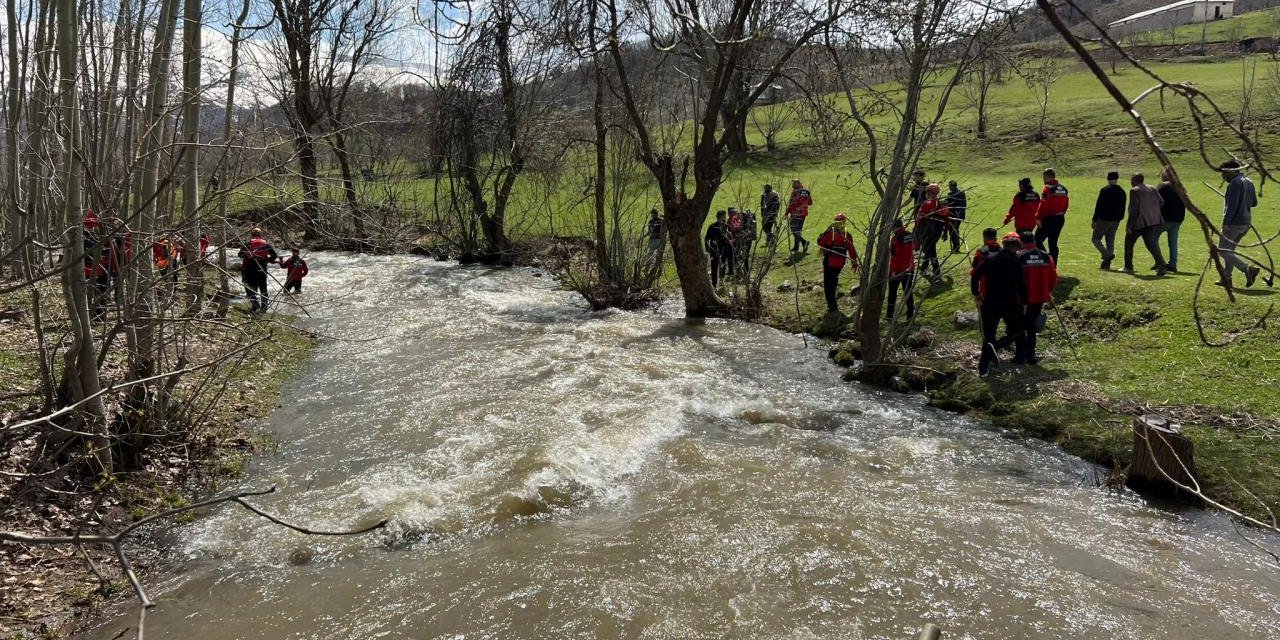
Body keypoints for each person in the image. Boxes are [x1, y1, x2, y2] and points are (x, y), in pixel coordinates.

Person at [971, 232, 1027, 377]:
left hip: (989, 302)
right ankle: (996, 347)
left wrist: (976, 293)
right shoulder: (1015, 261)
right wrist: (1025, 302)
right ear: (1016, 247)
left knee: (989, 334)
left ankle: (983, 369)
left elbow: (975, 275)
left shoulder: (990, 259)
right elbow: (1021, 284)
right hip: (1009, 303)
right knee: (1018, 331)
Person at [1217, 159, 1261, 287]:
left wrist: (1226, 223)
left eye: (1224, 173)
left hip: (1234, 223)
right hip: (1245, 222)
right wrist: (1244, 200)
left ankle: (1247, 269)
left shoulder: (1235, 183)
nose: (1223, 176)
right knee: (1229, 251)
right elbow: (1254, 203)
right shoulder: (1249, 181)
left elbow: (1232, 207)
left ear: (1232, 171)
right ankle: (1227, 278)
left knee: (1223, 251)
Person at [1017, 231, 1058, 365]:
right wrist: (1048, 291)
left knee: (1021, 325)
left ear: (1021, 242)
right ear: (1034, 241)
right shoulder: (1046, 256)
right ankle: (1031, 354)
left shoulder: (1019, 257)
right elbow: (1053, 277)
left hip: (1023, 298)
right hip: (1040, 296)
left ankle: (1022, 354)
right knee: (1031, 326)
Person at [1122, 173, 1168, 276]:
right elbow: (1161, 202)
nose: (1131, 182)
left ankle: (1128, 267)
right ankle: (1162, 264)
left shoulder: (1135, 190)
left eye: (1131, 179)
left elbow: (1134, 210)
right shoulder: (1153, 188)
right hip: (1153, 221)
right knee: (1150, 244)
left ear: (1135, 180)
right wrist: (1152, 211)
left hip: (1139, 222)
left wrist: (1129, 226)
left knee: (1129, 242)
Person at [816, 213, 859, 314]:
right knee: (834, 280)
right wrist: (854, 263)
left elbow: (821, 242)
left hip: (829, 262)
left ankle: (832, 306)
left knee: (828, 284)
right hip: (840, 263)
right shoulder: (847, 235)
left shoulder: (830, 232)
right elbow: (852, 249)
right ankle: (833, 303)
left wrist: (823, 250)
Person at [238, 227, 279, 313]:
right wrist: (267, 260)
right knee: (263, 289)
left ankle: (255, 305)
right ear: (260, 235)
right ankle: (264, 308)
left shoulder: (247, 243)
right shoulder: (266, 244)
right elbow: (274, 256)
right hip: (262, 270)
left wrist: (247, 254)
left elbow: (240, 255)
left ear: (252, 235)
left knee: (249, 288)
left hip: (249, 270)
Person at [1091, 171, 1126, 270]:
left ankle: (1107, 256)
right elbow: (1123, 207)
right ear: (1117, 179)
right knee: (1110, 242)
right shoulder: (1122, 191)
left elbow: (1099, 206)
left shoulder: (1105, 190)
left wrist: (1094, 219)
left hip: (1104, 219)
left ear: (1108, 179)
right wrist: (1120, 218)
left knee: (1096, 239)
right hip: (1116, 220)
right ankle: (1107, 264)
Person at [914, 183, 949, 280]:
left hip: (927, 232)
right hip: (937, 232)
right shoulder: (942, 205)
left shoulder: (926, 204)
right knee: (930, 249)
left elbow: (919, 219)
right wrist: (945, 233)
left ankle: (936, 271)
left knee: (930, 251)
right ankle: (925, 266)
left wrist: (916, 231)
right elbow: (947, 220)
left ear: (928, 192)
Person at [1036, 167, 1069, 264]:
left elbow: (1043, 205)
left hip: (1048, 219)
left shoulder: (1047, 188)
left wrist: (1038, 217)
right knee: (1053, 243)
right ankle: (1053, 267)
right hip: (1060, 218)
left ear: (1046, 177)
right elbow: (1066, 204)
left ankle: (1046, 259)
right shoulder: (1063, 189)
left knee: (1036, 240)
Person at [1154, 169, 1185, 273]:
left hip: (1166, 217)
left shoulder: (1162, 186)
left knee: (1152, 239)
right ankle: (1172, 264)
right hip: (1178, 218)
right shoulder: (1180, 186)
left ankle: (1159, 261)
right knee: (1173, 242)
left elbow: (1157, 201)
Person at [886, 219, 916, 320]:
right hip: (909, 268)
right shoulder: (909, 235)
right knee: (908, 292)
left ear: (895, 227)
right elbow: (913, 250)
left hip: (898, 270)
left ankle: (890, 315)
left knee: (892, 293)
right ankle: (910, 313)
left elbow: (897, 256)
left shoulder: (896, 238)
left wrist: (893, 271)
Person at [704, 210, 733, 287]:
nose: (725, 217)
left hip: (723, 249)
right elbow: (707, 238)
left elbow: (728, 238)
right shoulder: (712, 227)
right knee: (714, 267)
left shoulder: (726, 227)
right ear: (720, 217)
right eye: (724, 216)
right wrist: (707, 249)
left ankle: (721, 281)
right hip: (714, 250)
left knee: (723, 265)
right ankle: (714, 284)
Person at [786, 179, 812, 252]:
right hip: (803, 214)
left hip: (795, 214)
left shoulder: (795, 192)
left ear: (798, 184)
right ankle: (796, 247)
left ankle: (804, 242)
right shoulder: (807, 191)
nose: (792, 185)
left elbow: (791, 204)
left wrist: (786, 213)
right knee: (798, 230)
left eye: (794, 183)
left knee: (794, 230)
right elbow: (810, 203)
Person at [944, 180, 967, 253]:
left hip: (955, 215)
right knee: (953, 230)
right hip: (958, 215)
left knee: (953, 230)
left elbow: (949, 203)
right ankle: (955, 247)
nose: (950, 188)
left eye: (951, 186)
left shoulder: (953, 194)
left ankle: (956, 248)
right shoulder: (961, 193)